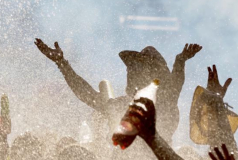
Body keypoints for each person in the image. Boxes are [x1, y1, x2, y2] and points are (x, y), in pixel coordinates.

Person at [35, 39, 202, 144]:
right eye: (131, 68)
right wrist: (61, 63)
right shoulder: (122, 106)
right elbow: (86, 94)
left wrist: (180, 62)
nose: (131, 72)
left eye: (137, 67)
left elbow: (175, 85)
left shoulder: (163, 105)